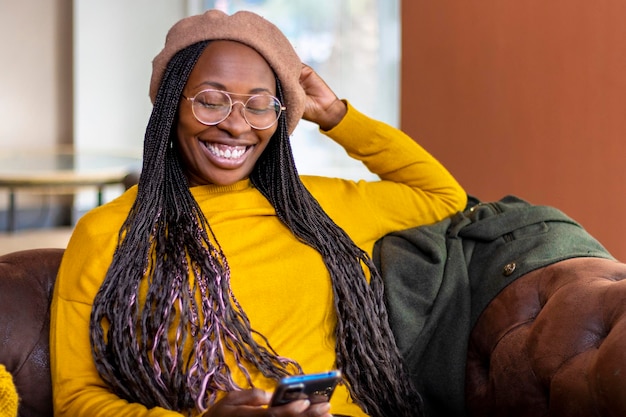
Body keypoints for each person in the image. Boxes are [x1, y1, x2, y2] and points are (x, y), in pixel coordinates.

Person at [50, 9, 466, 417]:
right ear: (171, 107)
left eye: (259, 104)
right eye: (211, 102)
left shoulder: (316, 207)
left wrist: (337, 115)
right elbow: (76, 399)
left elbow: (442, 194)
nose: (236, 124)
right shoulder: (105, 233)